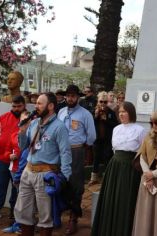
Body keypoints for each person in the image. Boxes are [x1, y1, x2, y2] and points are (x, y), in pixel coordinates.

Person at [14, 92, 72, 236]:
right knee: (23, 211)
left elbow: (65, 153)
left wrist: (65, 177)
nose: (36, 106)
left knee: (45, 214)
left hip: (45, 174)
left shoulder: (59, 127)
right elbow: (23, 147)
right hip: (28, 171)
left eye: (40, 103)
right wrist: (22, 132)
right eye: (36, 103)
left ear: (51, 106)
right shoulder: (34, 123)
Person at [91, 102, 146, 236]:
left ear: (131, 113)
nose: (121, 114)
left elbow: (143, 152)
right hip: (114, 167)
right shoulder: (116, 129)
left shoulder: (141, 130)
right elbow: (114, 149)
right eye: (120, 112)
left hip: (130, 168)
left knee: (125, 201)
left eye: (125, 111)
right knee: (111, 199)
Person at [57, 85, 96, 235]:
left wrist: (82, 147)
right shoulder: (61, 112)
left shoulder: (85, 114)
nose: (70, 98)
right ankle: (58, 214)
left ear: (78, 97)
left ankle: (73, 218)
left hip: (76, 150)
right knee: (59, 181)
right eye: (68, 96)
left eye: (73, 96)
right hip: (60, 151)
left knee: (76, 184)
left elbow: (91, 136)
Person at [2, 111, 31, 234]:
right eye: (22, 120)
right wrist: (9, 155)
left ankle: (22, 225)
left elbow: (26, 151)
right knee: (18, 198)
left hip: (27, 170)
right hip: (14, 169)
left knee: (24, 199)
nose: (24, 123)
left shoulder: (33, 135)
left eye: (27, 120)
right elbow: (7, 150)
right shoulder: (14, 134)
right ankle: (18, 224)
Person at [89, 91, 118, 185]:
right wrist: (96, 116)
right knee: (96, 158)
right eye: (101, 101)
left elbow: (115, 125)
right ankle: (94, 178)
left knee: (107, 158)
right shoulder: (93, 111)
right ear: (98, 101)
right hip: (97, 139)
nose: (103, 104)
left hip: (107, 139)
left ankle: (106, 178)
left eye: (105, 102)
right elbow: (89, 125)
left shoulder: (111, 112)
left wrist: (107, 120)